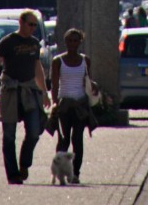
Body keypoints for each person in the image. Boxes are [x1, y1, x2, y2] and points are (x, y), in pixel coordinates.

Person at [0, 10, 51, 185]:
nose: (32, 28)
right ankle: (13, 174)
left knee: (34, 131)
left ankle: (24, 163)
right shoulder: (7, 42)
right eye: (30, 24)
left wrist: (44, 92)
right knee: (9, 136)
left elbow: (38, 68)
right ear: (21, 23)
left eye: (35, 25)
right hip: (11, 90)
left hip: (29, 91)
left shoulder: (34, 43)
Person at [50, 28, 97, 185]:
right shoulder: (58, 61)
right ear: (65, 42)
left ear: (80, 42)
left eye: (76, 40)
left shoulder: (85, 60)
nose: (72, 43)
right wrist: (54, 102)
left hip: (80, 104)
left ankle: (75, 173)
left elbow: (88, 81)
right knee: (64, 139)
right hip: (64, 104)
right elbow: (55, 84)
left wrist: (94, 86)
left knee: (78, 139)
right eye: (69, 40)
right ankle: (59, 172)